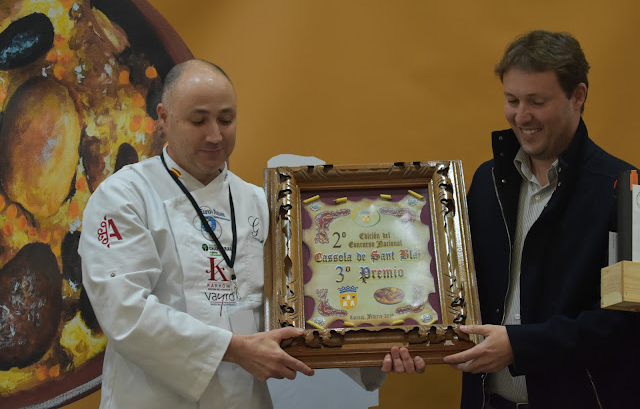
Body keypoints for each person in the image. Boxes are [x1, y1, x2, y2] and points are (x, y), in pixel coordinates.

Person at [79, 59, 417, 409]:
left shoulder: (262, 203)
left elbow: (308, 303)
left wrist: (376, 346)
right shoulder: (124, 196)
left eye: (226, 120)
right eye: (198, 121)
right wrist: (235, 349)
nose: (215, 135)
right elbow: (124, 312)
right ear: (163, 117)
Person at [443, 30, 640, 408]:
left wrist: (521, 346)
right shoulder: (486, 181)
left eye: (537, 101)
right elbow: (457, 290)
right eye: (512, 100)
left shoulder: (626, 191)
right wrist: (414, 335)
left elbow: (626, 322)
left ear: (578, 96)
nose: (521, 116)